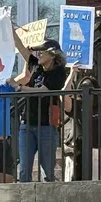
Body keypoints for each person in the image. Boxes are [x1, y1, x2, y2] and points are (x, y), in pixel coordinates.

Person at [10, 37, 74, 182]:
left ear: (52, 56)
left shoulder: (58, 73)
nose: (39, 55)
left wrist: (19, 87)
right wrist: (9, 25)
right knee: (24, 169)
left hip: (46, 126)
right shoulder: (37, 67)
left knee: (47, 170)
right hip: (27, 125)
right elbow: (21, 49)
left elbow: (42, 91)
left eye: (42, 52)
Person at [64, 73, 101, 181]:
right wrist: (72, 73)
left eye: (90, 87)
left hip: (97, 151)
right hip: (77, 151)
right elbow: (64, 96)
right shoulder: (76, 104)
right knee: (74, 185)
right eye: (83, 87)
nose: (87, 89)